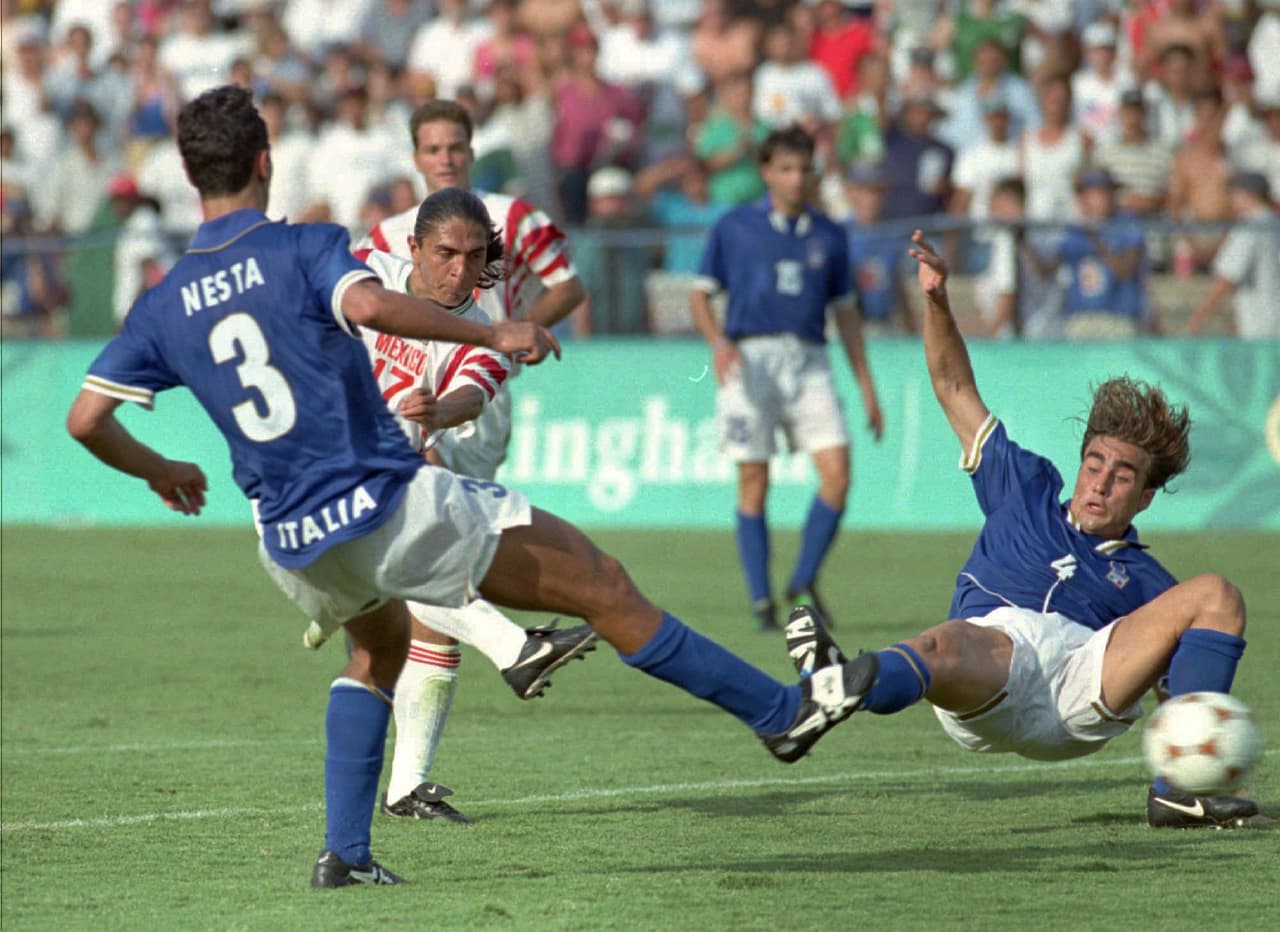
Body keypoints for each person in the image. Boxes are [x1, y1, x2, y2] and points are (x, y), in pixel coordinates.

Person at [67, 85, 876, 888]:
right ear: (264, 161)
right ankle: (781, 714)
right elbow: (377, 303)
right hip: (387, 502)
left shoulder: (162, 301)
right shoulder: (301, 247)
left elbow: (86, 419)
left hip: (290, 542)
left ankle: (345, 854)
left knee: (380, 650)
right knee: (604, 586)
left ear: (187, 172)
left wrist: (162, 470)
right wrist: (495, 323)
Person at [783, 228, 1258, 830]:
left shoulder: (1147, 582)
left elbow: (1181, 699)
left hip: (1079, 684)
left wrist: (1203, 748)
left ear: (1145, 496)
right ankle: (843, 683)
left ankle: (1177, 794)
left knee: (1215, 593)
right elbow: (953, 388)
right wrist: (936, 300)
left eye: (1122, 477)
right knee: (953, 641)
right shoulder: (1022, 487)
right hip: (993, 662)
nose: (1100, 484)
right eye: (1094, 465)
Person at [352, 98, 589, 822]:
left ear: (471, 148)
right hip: (405, 408)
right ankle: (414, 772)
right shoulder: (383, 242)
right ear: (415, 155)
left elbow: (569, 284)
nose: (446, 157)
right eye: (433, 147)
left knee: (426, 571)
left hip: (474, 391)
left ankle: (407, 779)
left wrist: (511, 333)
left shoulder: (514, 218)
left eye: (457, 145)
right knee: (426, 559)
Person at [689, 126, 885, 633]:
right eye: (786, 169)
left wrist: (865, 384)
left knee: (838, 475)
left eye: (804, 169)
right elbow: (699, 295)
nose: (797, 179)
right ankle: (761, 602)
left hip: (810, 360)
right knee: (754, 480)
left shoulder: (830, 234)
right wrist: (719, 342)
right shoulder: (734, 227)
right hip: (749, 358)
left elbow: (845, 314)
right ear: (766, 173)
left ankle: (800, 580)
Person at [1185, 172, 1280, 339]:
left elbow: (1228, 276)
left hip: (1259, 322)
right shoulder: (1274, 223)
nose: (1230, 200)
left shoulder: (1250, 227)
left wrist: (1200, 315)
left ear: (1246, 194)